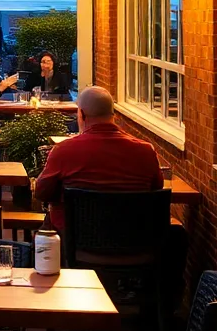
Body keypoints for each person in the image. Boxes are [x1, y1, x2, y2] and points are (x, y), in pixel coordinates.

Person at [34, 87, 165, 232]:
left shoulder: (63, 151)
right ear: (113, 114)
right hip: (133, 242)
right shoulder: (145, 151)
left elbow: (42, 193)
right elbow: (156, 189)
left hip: (75, 243)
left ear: (82, 114)